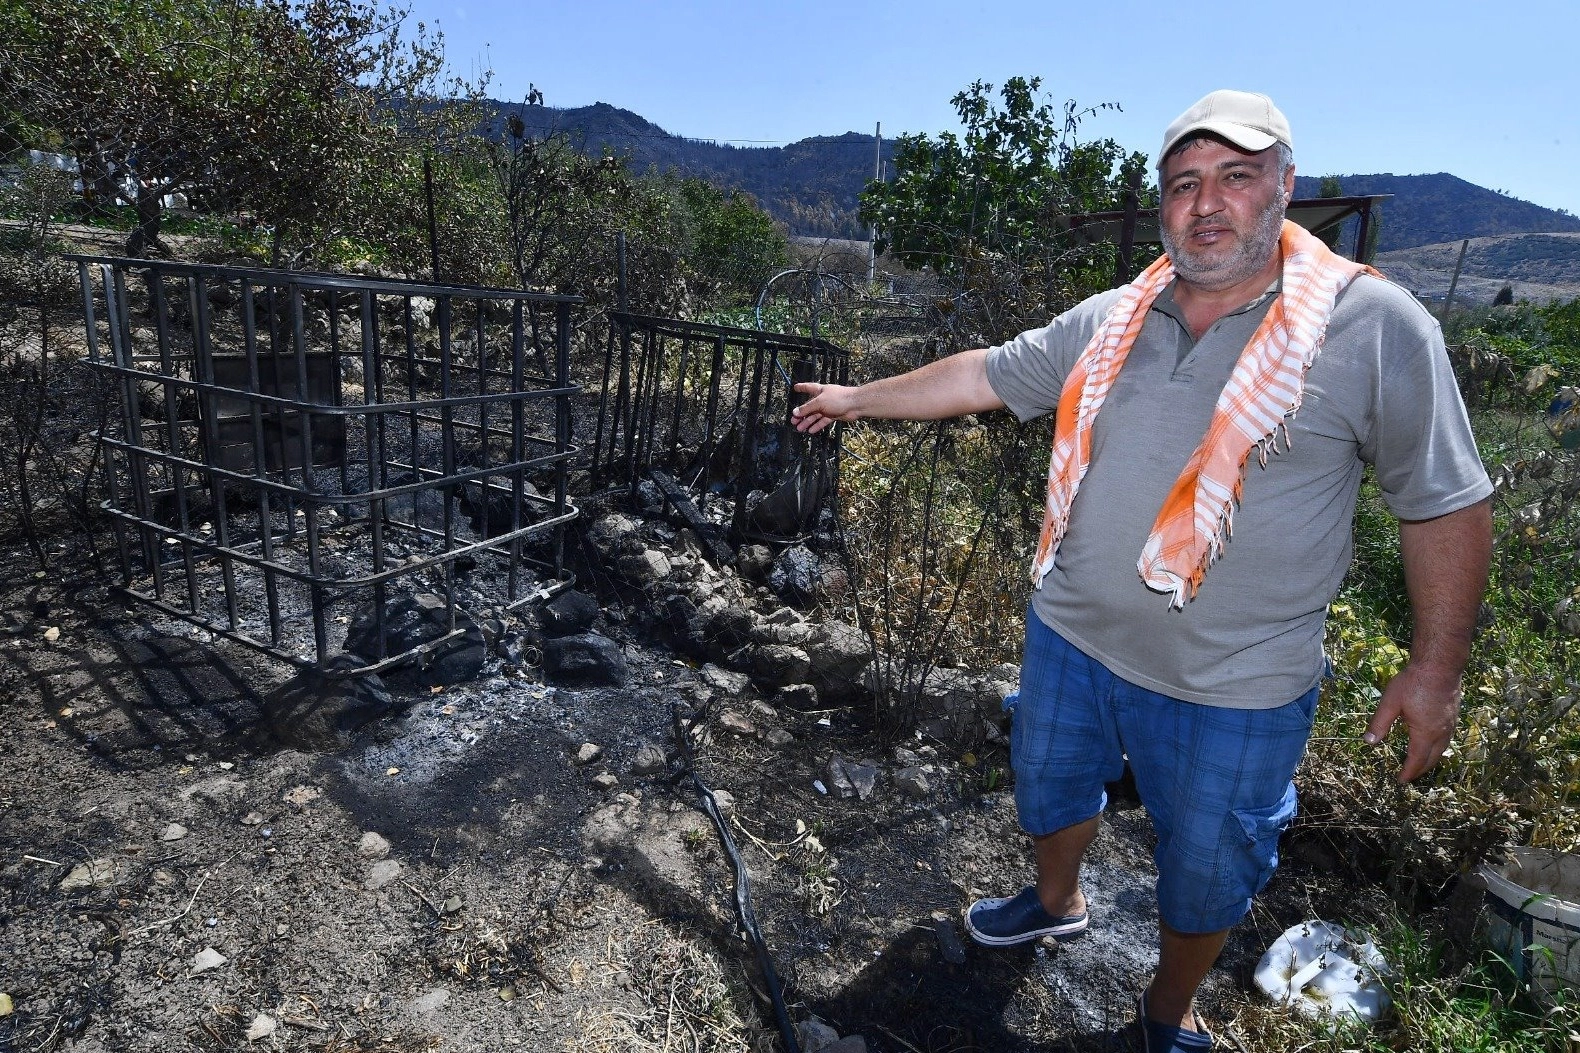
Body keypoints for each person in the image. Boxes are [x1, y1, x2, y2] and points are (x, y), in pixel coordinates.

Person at [791, 89, 1492, 1053]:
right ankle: (1055, 900)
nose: (1206, 203)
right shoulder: (1118, 316)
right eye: (1183, 184)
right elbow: (988, 372)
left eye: (1236, 177)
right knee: (1046, 786)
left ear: (1285, 186)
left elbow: (1443, 498)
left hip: (1237, 684)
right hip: (1072, 637)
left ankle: (1167, 1010)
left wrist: (1436, 668)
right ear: (1162, 205)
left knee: (1211, 865)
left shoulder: (1375, 326)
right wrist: (857, 396)